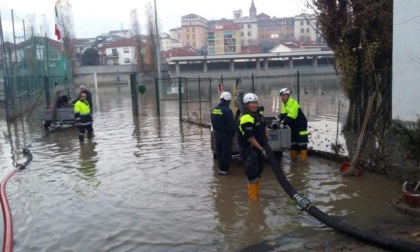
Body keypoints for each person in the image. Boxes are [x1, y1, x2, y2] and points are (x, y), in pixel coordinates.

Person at [238, 93, 269, 200]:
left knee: (259, 170)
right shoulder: (246, 118)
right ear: (246, 105)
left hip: (258, 148)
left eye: (255, 103)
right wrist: (261, 149)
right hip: (249, 149)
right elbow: (250, 138)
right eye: (252, 103)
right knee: (252, 172)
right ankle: (253, 199)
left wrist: (267, 137)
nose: (254, 105)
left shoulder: (258, 114)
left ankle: (257, 196)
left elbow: (264, 125)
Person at [278, 88, 308, 161]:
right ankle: (293, 161)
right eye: (281, 95)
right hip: (292, 127)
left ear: (288, 95)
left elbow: (291, 116)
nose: (282, 97)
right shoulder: (284, 104)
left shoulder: (293, 103)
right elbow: (282, 114)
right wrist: (277, 120)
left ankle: (303, 164)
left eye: (284, 95)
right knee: (293, 144)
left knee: (302, 144)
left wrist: (282, 124)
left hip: (300, 126)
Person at [211, 91, 236, 175]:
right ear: (228, 101)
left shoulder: (214, 109)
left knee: (220, 151)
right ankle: (224, 171)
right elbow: (231, 124)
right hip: (226, 135)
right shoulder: (227, 110)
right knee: (226, 153)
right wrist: (233, 132)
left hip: (217, 133)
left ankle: (220, 168)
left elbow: (213, 122)